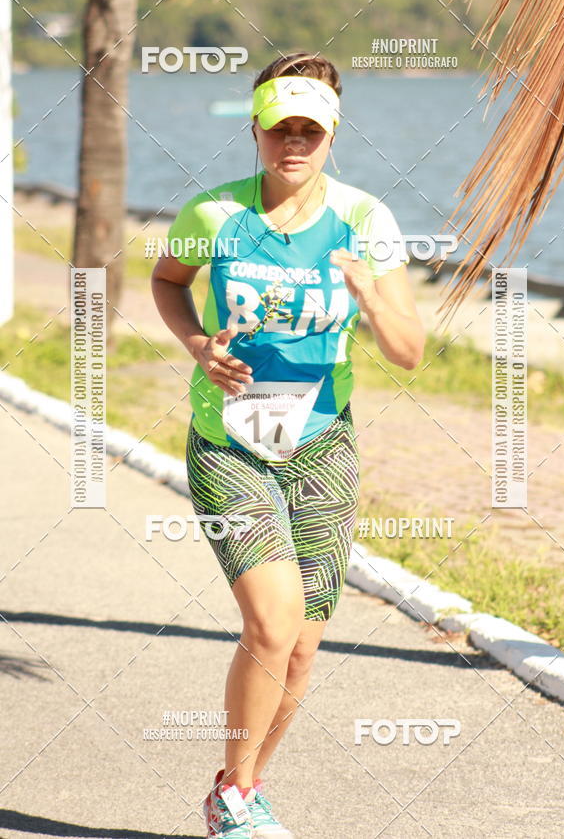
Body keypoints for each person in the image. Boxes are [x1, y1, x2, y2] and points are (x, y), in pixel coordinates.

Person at [151, 51, 425, 838]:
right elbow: (168, 281)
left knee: (301, 648)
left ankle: (239, 788)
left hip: (322, 444)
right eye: (280, 129)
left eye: (310, 129)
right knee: (271, 627)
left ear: (333, 135)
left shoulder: (365, 222)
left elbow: (409, 352)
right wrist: (198, 345)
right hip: (229, 441)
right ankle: (236, 805)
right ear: (255, 130)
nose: (294, 143)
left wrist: (370, 293)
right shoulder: (213, 216)